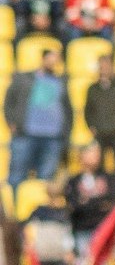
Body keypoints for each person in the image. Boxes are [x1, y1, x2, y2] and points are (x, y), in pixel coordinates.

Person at [5, 48, 68, 186]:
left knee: (45, 179)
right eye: (51, 58)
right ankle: (13, 207)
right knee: (17, 176)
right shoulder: (24, 78)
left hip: (52, 136)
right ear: (43, 58)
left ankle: (40, 207)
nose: (53, 62)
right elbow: (9, 100)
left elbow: (67, 109)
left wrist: (65, 132)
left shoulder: (61, 81)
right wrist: (11, 122)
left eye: (56, 59)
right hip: (26, 134)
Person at [61, 142, 115, 248]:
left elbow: (112, 202)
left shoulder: (109, 178)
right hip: (83, 229)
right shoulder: (73, 181)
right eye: (92, 153)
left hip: (106, 229)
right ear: (82, 156)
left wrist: (86, 201)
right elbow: (74, 205)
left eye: (97, 153)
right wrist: (99, 203)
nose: (96, 156)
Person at [83, 56, 115, 176]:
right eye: (102, 66)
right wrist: (91, 126)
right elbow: (87, 110)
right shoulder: (92, 89)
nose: (104, 69)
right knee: (98, 164)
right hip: (99, 132)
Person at [24, 189, 72, 265]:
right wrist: (30, 245)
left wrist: (68, 250)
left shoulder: (63, 213)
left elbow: (67, 233)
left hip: (58, 254)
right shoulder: (39, 212)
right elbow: (28, 228)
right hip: (42, 253)